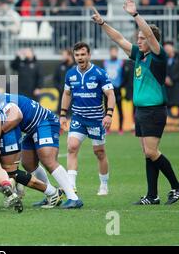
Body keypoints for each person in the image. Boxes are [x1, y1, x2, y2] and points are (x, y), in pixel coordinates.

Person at [92, 0, 179, 205]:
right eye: (139, 38)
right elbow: (118, 38)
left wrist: (134, 13)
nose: (138, 40)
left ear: (151, 39)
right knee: (147, 153)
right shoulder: (138, 56)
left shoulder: (157, 56)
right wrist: (103, 23)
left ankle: (177, 186)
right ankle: (152, 195)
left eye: (142, 38)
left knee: (152, 151)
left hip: (154, 110)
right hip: (142, 111)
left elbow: (150, 37)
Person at [0, 93, 83, 209]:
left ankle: (73, 198)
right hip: (31, 128)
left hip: (45, 121)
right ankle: (53, 195)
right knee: (28, 164)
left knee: (48, 160)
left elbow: (17, 116)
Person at [61, 42, 116, 196]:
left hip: (96, 120)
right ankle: (71, 186)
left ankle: (104, 185)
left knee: (99, 152)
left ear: (89, 55)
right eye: (77, 55)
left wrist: (109, 114)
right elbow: (66, 94)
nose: (80, 57)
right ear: (74, 56)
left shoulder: (99, 73)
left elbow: (110, 94)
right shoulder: (70, 74)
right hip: (78, 118)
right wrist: (63, 114)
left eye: (83, 54)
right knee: (71, 147)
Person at [164, 41, 179, 132]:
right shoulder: (164, 59)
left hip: (176, 86)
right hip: (166, 86)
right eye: (165, 49)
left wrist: (172, 79)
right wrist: (165, 78)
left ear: (173, 48)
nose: (167, 50)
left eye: (168, 48)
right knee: (164, 105)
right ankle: (162, 124)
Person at [103, 45, 126, 134]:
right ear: (110, 52)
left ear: (117, 52)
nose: (113, 53)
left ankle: (120, 128)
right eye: (112, 51)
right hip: (107, 90)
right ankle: (107, 129)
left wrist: (121, 86)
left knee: (120, 109)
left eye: (115, 51)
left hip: (117, 89)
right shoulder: (105, 63)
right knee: (107, 110)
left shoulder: (121, 63)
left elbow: (124, 76)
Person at [53, 48, 75, 113]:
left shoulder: (77, 67)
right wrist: (59, 88)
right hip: (62, 94)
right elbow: (55, 79)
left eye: (64, 55)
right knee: (61, 114)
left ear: (69, 56)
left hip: (74, 96)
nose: (62, 57)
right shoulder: (59, 66)